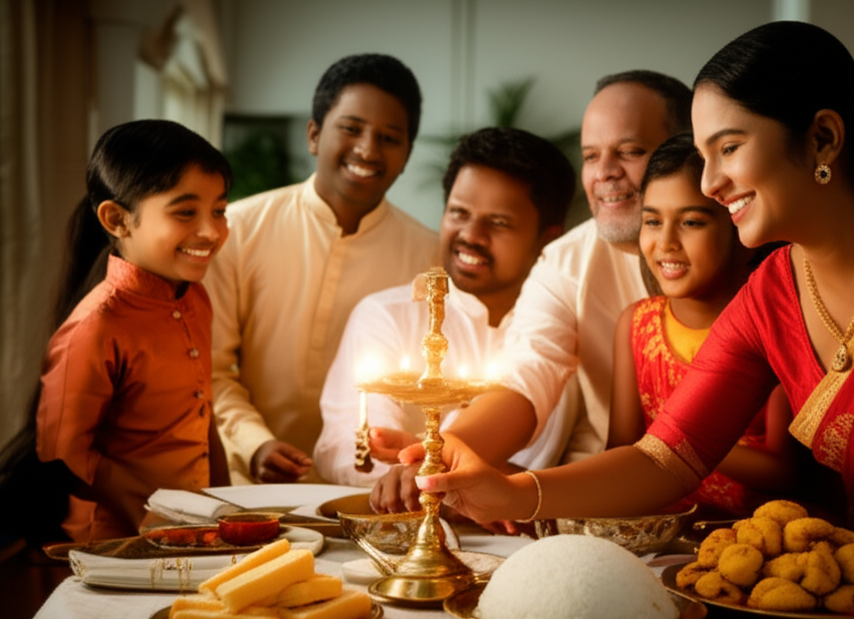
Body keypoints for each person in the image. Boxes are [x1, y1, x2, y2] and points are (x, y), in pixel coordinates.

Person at [390, 22, 854, 619]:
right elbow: (662, 458)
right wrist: (510, 492)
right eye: (702, 153)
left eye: (729, 148)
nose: (713, 182)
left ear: (823, 138)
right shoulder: (774, 291)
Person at [413, 71, 692, 481]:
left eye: (630, 151)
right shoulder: (565, 261)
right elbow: (526, 376)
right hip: (613, 494)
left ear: (688, 150)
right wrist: (446, 453)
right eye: (591, 156)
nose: (605, 173)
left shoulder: (755, 257)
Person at [314, 127, 578, 512]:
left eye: (499, 223)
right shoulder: (387, 315)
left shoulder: (567, 331)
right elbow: (346, 447)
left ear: (547, 239)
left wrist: (490, 476)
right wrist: (438, 466)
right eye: (458, 213)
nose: (471, 235)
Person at [205, 54, 439, 485]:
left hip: (373, 488)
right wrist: (254, 443)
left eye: (389, 137)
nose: (368, 149)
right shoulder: (238, 230)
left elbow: (434, 387)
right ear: (314, 135)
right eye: (351, 128)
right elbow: (210, 370)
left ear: (406, 156)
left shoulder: (431, 258)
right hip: (251, 487)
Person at [31, 119, 233, 542]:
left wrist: (224, 516)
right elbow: (64, 456)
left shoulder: (196, 299)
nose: (212, 231)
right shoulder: (96, 325)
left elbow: (202, 415)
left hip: (193, 533)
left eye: (219, 210)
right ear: (117, 219)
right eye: (185, 212)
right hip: (115, 545)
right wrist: (155, 518)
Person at [607, 134, 796, 517]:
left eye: (691, 222)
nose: (665, 242)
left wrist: (680, 437)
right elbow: (620, 453)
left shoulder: (772, 326)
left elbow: (787, 471)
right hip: (661, 536)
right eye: (653, 221)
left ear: (740, 231)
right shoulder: (637, 325)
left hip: (756, 541)